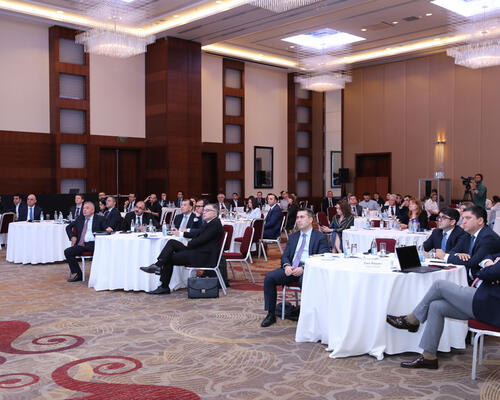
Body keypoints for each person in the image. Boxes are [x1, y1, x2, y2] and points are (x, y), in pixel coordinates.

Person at [386, 254, 500, 369]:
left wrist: (491, 267)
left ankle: (412, 320)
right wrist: (490, 262)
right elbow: (491, 257)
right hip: (487, 301)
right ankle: (429, 357)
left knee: (439, 285)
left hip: (490, 305)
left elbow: (487, 273)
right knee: (436, 306)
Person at [261, 208, 330, 327]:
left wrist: (303, 268)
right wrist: (287, 266)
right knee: (269, 278)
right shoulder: (293, 237)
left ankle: (308, 316)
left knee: (305, 282)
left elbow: (321, 257)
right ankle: (271, 314)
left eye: (302, 217)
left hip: (308, 270)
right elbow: (285, 255)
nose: (298, 220)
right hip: (292, 268)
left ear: (310, 219)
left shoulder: (320, 237)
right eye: (297, 217)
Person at [140, 204, 223, 295]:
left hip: (203, 256)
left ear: (215, 213)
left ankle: (163, 285)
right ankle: (158, 266)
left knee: (168, 258)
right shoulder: (210, 223)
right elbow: (196, 234)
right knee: (172, 242)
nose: (204, 212)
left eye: (207, 210)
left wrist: (189, 244)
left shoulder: (215, 224)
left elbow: (202, 239)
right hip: (198, 251)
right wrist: (180, 233)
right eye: (204, 210)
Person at [437, 205, 500, 283]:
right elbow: (452, 251)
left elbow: (474, 262)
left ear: (480, 221)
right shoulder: (468, 234)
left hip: (481, 283)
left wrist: (445, 256)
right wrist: (458, 254)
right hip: (465, 278)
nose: (463, 222)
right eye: (463, 218)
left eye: (468, 218)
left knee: (439, 285)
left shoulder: (488, 237)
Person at [64, 202, 106, 282]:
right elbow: (68, 227)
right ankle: (78, 274)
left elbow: (106, 230)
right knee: (67, 252)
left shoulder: (100, 219)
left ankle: (100, 274)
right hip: (82, 244)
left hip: (94, 244)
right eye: (83, 208)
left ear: (93, 210)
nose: (84, 210)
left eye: (87, 208)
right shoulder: (80, 219)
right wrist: (72, 236)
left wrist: (108, 229)